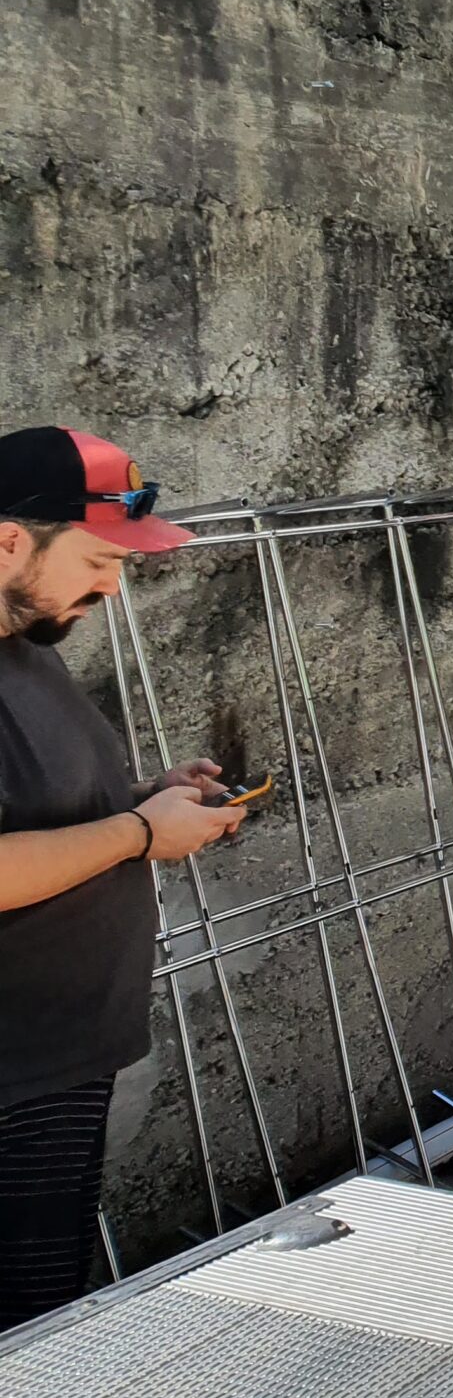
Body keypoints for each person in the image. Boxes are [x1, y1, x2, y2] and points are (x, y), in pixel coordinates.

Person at [0, 426, 243, 1328]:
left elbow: (41, 816)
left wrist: (149, 798)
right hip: (12, 1082)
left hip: (54, 1067)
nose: (113, 583)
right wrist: (141, 832)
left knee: (45, 1313)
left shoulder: (28, 641)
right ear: (9, 538)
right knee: (25, 1331)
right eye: (101, 557)